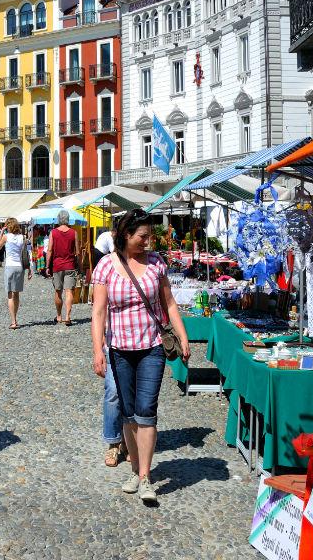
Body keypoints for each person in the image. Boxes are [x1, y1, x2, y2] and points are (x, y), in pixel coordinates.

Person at [90, 209, 191, 505]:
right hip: (120, 349)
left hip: (151, 348)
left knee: (147, 411)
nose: (148, 241)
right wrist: (98, 351)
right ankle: (135, 469)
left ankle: (146, 476)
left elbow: (169, 304)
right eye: (142, 236)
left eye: (150, 236)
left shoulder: (157, 263)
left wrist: (183, 336)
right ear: (125, 235)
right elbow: (98, 313)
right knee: (128, 412)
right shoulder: (106, 267)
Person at [0, 218, 31, 329]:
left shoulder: (6, 237)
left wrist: (2, 232)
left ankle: (13, 321)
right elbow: (26, 254)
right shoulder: (23, 238)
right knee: (16, 294)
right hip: (19, 267)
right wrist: (29, 269)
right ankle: (15, 317)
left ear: (8, 226)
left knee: (10, 294)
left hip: (10, 266)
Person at [47, 210, 79, 326]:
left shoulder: (53, 233)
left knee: (58, 291)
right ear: (68, 219)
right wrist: (79, 265)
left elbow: (50, 250)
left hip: (57, 265)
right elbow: (77, 251)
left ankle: (59, 316)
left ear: (59, 219)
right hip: (70, 265)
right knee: (69, 291)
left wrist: (47, 266)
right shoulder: (73, 233)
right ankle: (68, 317)